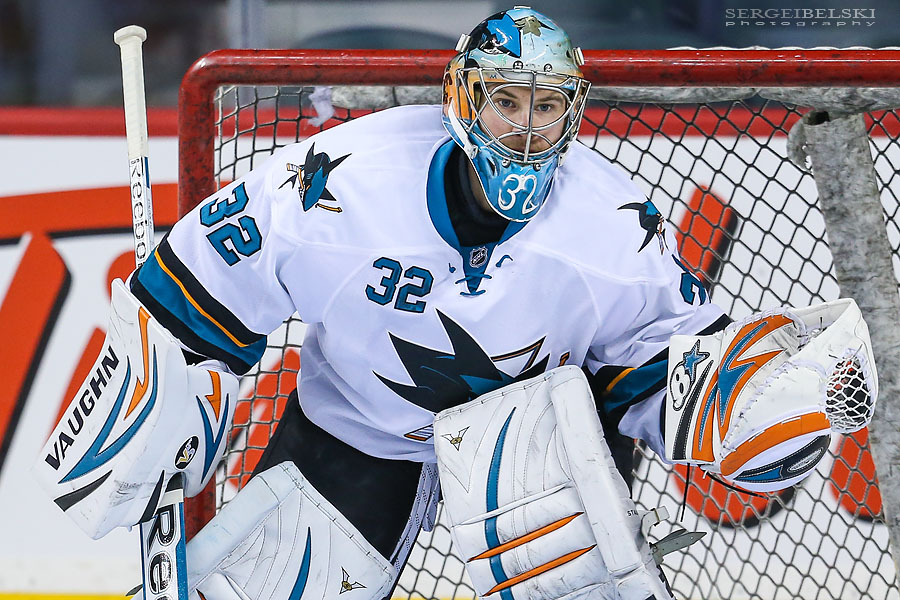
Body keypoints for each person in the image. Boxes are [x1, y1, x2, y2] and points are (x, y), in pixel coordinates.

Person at [35, 6, 877, 600]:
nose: (523, 131)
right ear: (462, 98)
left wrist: (747, 409)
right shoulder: (342, 188)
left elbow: (659, 371)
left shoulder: (611, 228)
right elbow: (197, 284)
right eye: (505, 101)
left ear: (573, 115)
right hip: (357, 437)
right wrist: (162, 389)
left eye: (546, 108)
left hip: (537, 452)